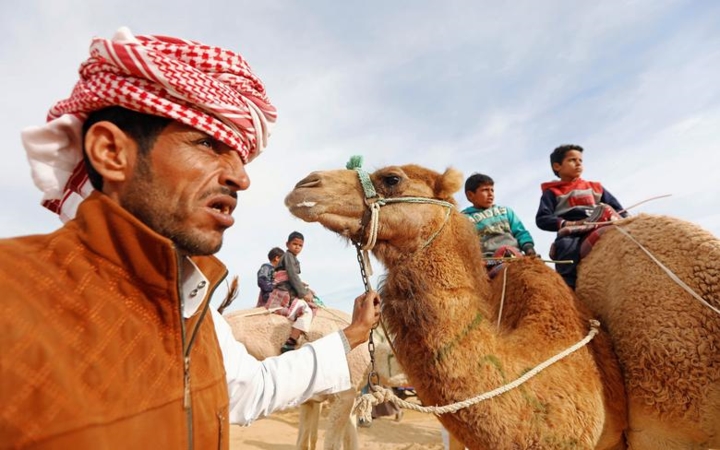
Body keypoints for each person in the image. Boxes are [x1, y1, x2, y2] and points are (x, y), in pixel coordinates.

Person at [0, 27, 380, 449]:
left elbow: (249, 390)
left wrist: (352, 334)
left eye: (240, 157)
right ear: (111, 151)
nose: (240, 177)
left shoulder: (197, 314)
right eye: (207, 143)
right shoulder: (13, 292)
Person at [535, 144, 627, 289]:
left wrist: (626, 219)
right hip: (574, 230)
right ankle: (569, 288)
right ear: (557, 166)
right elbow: (542, 219)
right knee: (566, 246)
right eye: (572, 160)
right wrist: (566, 224)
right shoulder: (551, 192)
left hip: (601, 223)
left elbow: (618, 209)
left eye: (580, 160)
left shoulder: (595, 187)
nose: (578, 163)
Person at [461, 173, 536, 259]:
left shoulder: (506, 212)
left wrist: (529, 248)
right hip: (488, 261)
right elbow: (465, 245)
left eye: (492, 190)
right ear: (470, 195)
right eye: (485, 190)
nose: (490, 194)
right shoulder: (464, 219)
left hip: (515, 255)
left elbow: (520, 232)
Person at [266, 231, 318, 353]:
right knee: (307, 311)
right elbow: (292, 275)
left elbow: (292, 277)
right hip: (284, 293)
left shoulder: (291, 258)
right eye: (294, 244)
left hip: (286, 290)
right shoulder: (289, 256)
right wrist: (304, 293)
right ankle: (291, 341)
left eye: (300, 245)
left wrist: (306, 289)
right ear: (287, 244)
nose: (297, 247)